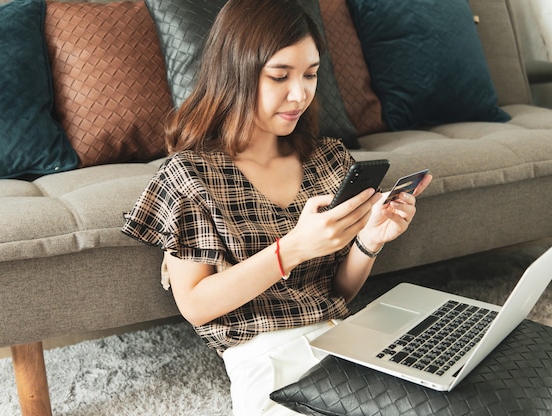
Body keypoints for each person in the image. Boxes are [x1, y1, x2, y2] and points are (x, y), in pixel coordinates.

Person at [122, 0, 432, 414]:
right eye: (280, 76)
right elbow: (195, 305)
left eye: (311, 74)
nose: (300, 93)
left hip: (343, 341)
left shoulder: (329, 161)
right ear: (235, 72)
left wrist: (369, 242)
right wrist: (293, 249)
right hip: (265, 362)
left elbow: (336, 293)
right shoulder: (190, 176)